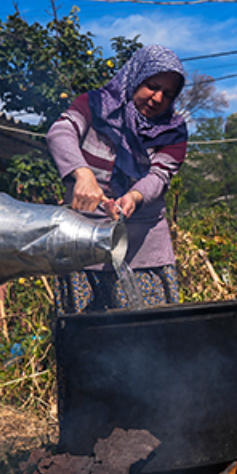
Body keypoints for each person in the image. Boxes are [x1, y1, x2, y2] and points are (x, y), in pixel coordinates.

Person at [47, 44, 188, 313]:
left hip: (141, 247)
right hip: (82, 240)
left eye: (168, 94)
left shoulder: (173, 129)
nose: (158, 98)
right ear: (135, 77)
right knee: (87, 340)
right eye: (152, 86)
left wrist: (134, 197)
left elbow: (160, 175)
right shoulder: (94, 104)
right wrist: (82, 172)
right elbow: (60, 132)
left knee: (151, 337)